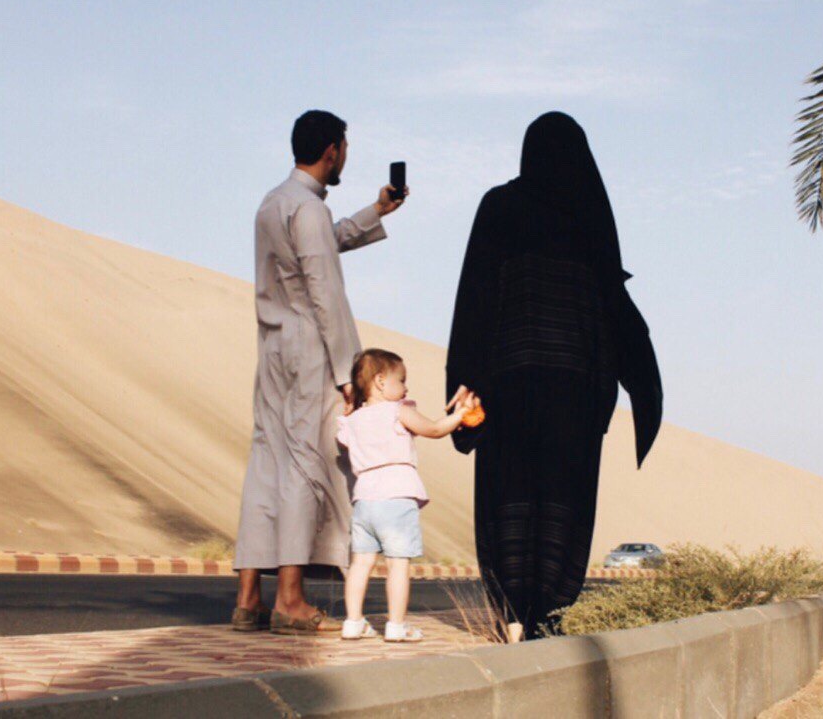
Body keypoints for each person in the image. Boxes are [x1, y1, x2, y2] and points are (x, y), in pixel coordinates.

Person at [446, 112, 662, 640]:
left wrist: (464, 383)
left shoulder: (500, 206)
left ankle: (513, 612)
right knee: (565, 497)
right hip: (576, 390)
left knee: (509, 493)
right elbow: (614, 302)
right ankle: (551, 615)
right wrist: (640, 380)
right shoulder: (590, 212)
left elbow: (475, 295)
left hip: (511, 383)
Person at [233, 111, 408, 635]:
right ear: (332, 151)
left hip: (272, 351)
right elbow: (326, 294)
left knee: (265, 462)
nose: (345, 157)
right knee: (306, 467)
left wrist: (376, 211)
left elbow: (320, 243)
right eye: (345, 149)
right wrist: (350, 375)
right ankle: (290, 599)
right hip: (311, 351)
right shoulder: (305, 210)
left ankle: (248, 599)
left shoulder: (274, 203)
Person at [336, 348, 479, 642]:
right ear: (379, 381)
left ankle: (353, 622)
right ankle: (397, 625)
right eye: (401, 380)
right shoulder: (397, 411)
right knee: (398, 565)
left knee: (360, 563)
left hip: (363, 499)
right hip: (396, 496)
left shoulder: (352, 420)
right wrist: (461, 415)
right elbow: (436, 429)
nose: (406, 388)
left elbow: (348, 440)